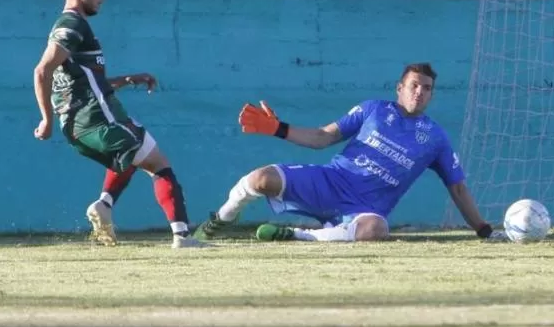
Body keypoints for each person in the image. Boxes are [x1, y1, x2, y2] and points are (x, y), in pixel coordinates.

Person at [194, 63, 503, 242]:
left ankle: (300, 237)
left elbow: (458, 187)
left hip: (365, 207)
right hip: (331, 181)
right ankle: (220, 219)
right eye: (414, 85)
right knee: (261, 178)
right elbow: (321, 137)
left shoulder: (435, 137)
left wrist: (484, 230)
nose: (419, 92)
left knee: (376, 229)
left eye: (427, 88)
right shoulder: (373, 110)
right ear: (399, 88)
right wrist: (278, 128)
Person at [32, 0, 201, 249]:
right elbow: (42, 70)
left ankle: (106, 205)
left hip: (81, 128)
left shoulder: (75, 27)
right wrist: (45, 119)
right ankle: (182, 238)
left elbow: (85, 83)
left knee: (133, 154)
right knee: (159, 165)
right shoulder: (72, 23)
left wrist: (128, 79)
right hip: (100, 119)